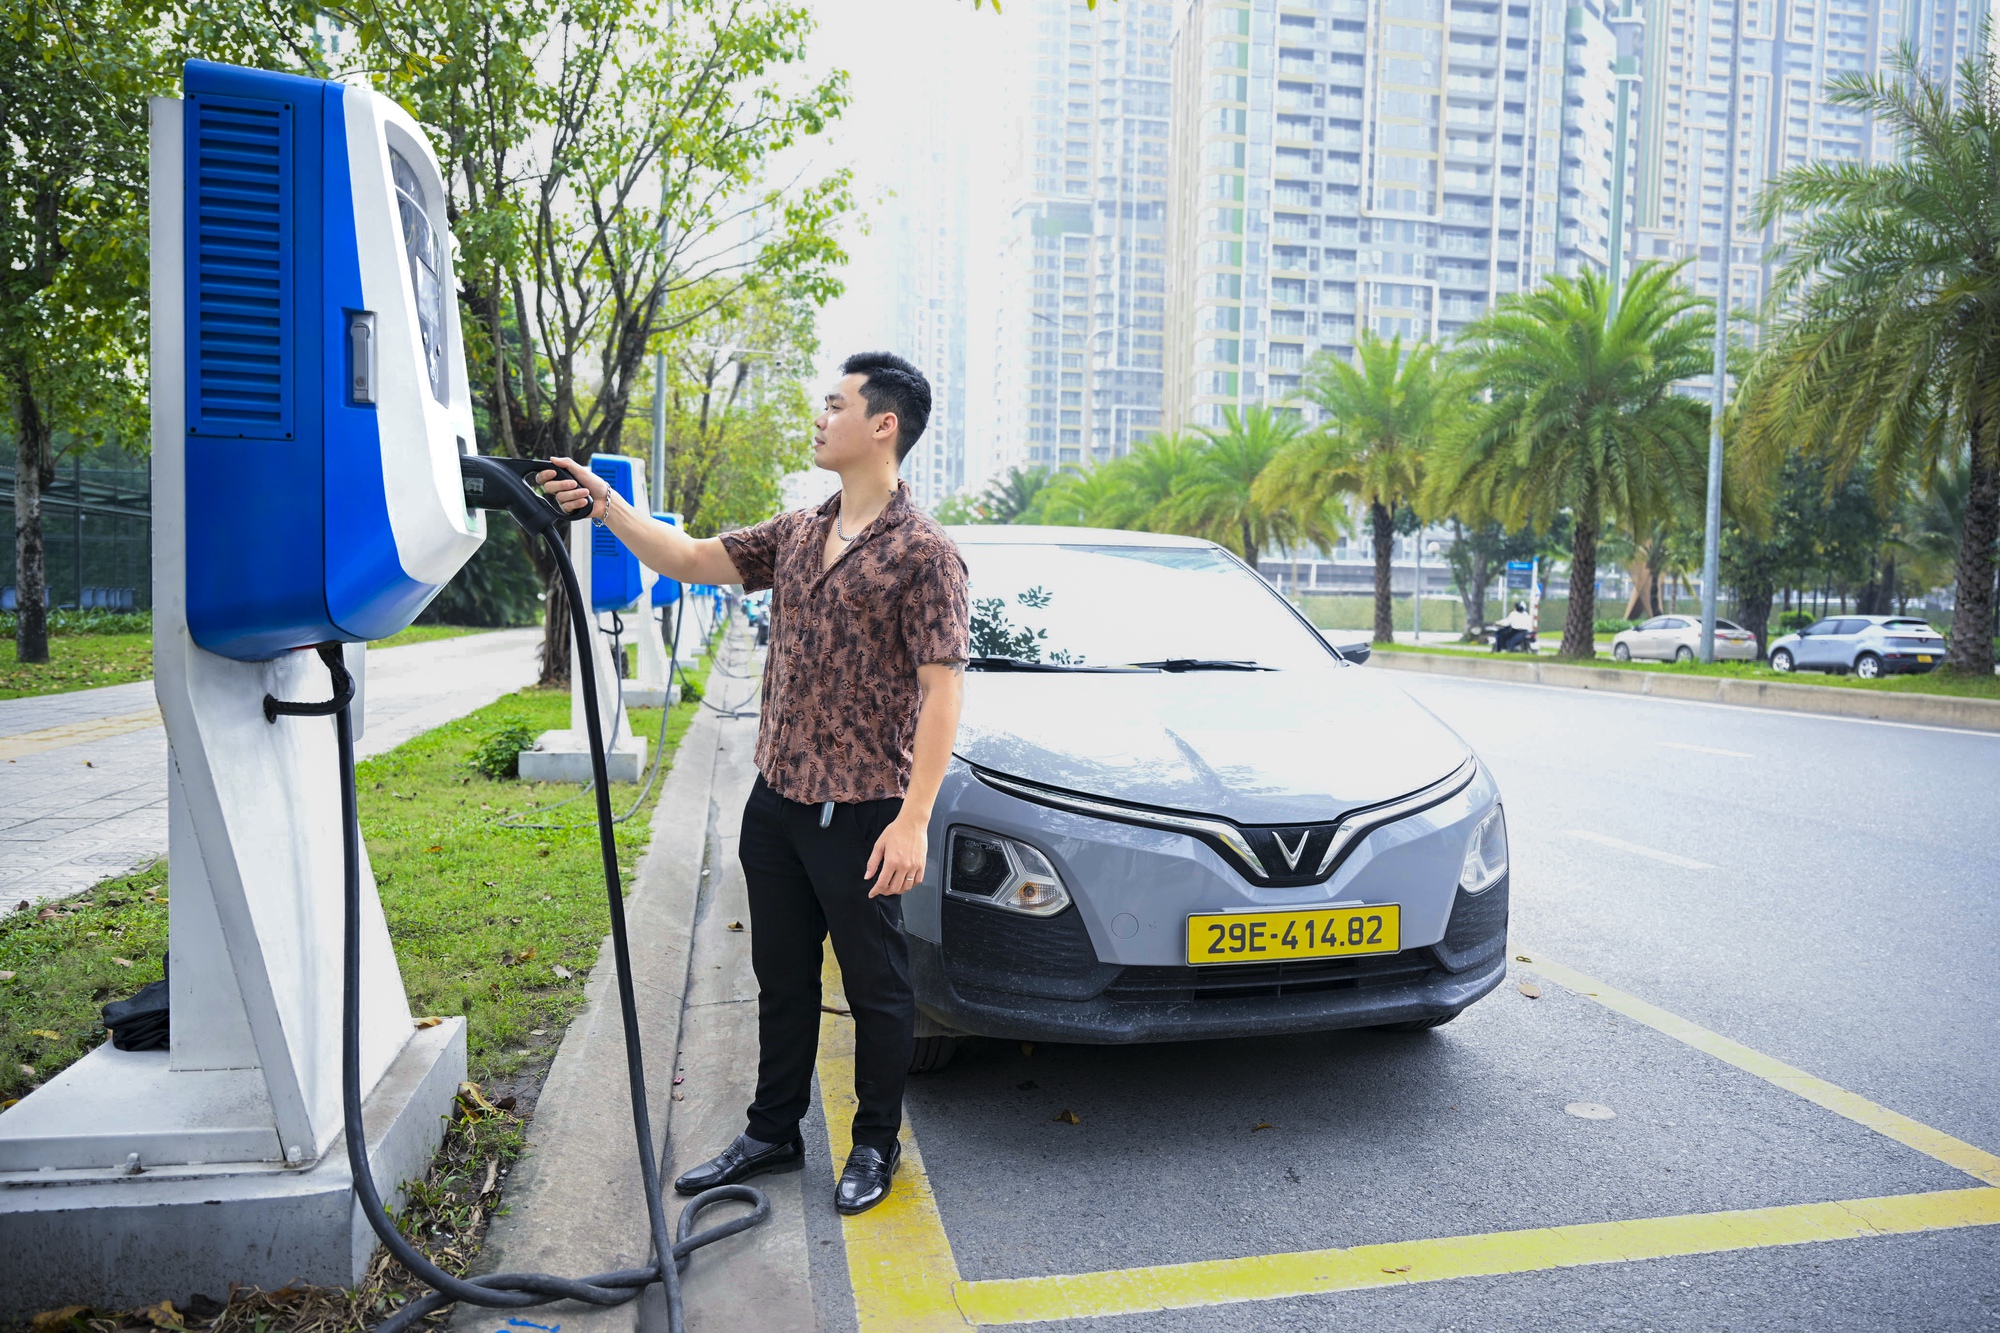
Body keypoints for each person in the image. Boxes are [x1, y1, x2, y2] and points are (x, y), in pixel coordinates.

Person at [536, 351, 968, 1216]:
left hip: (863, 809)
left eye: (836, 404)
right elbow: (691, 557)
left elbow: (942, 689)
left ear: (883, 425)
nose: (821, 416)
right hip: (777, 801)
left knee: (878, 987)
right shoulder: (799, 531)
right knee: (782, 976)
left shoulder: (925, 554)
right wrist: (608, 504)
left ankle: (874, 1143)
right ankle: (773, 1132)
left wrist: (914, 818)